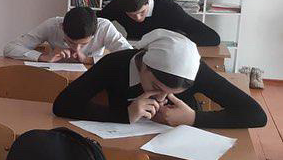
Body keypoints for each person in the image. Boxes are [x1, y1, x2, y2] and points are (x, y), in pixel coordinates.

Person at [53, 29, 266, 129]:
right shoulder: (115, 63)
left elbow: (255, 115)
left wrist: (193, 118)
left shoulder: (194, 70)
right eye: (156, 86)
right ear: (144, 64)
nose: (162, 98)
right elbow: (63, 105)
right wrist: (124, 114)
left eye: (172, 93)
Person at [98, 0, 221, 46]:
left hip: (165, 54)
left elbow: (212, 37)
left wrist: (173, 40)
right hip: (134, 52)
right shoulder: (118, 5)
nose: (138, 18)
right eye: (131, 15)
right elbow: (95, 22)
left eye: (142, 12)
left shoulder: (169, 9)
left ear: (148, 0)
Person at [4, 6, 131, 64]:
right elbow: (9, 48)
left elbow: (129, 55)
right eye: (70, 42)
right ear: (62, 27)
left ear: (95, 33)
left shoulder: (104, 27)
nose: (76, 49)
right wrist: (43, 57)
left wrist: (89, 60)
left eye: (84, 44)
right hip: (56, 77)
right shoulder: (52, 25)